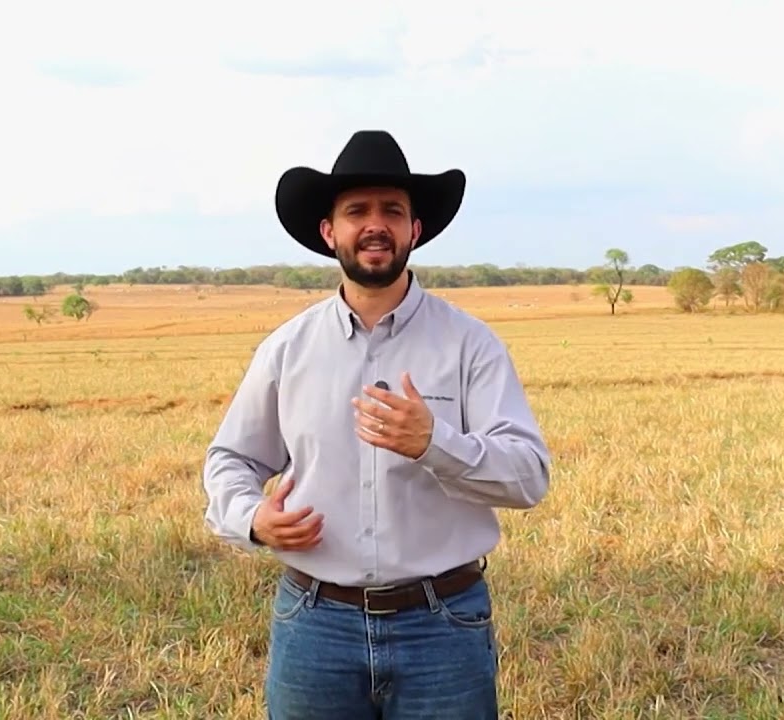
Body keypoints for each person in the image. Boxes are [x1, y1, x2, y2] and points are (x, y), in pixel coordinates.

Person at [202, 130, 551, 719]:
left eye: (392, 210)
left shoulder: (470, 345)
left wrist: (434, 442)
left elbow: (529, 477)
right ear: (328, 231)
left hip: (444, 626)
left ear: (415, 230)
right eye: (356, 211)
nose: (375, 224)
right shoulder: (287, 349)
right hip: (314, 625)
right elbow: (231, 460)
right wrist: (253, 519)